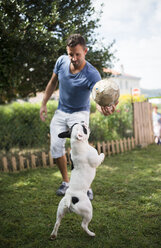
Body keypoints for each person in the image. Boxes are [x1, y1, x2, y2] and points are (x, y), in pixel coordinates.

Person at [40, 34, 117, 200]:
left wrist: (103, 108)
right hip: (61, 111)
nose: (74, 58)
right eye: (70, 54)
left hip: (80, 113)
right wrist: (44, 103)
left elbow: (96, 99)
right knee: (55, 147)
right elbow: (53, 82)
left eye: (77, 54)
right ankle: (66, 182)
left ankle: (86, 187)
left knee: (80, 149)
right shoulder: (61, 62)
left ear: (85, 51)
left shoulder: (92, 74)